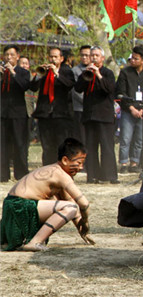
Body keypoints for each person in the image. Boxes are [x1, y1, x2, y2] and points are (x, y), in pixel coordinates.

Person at [0, 138, 93, 252]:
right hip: (20, 205)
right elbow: (83, 204)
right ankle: (35, 242)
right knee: (70, 208)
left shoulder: (55, 171)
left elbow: (69, 200)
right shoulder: (60, 174)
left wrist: (81, 228)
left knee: (68, 205)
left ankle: (26, 240)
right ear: (65, 160)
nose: (81, 167)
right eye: (78, 163)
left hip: (11, 204)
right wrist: (86, 222)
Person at [74, 46, 118, 184]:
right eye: (91, 55)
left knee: (107, 147)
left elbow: (110, 89)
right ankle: (92, 175)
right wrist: (85, 75)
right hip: (89, 116)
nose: (93, 58)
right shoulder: (86, 73)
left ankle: (109, 176)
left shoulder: (108, 73)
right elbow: (77, 88)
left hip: (104, 116)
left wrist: (98, 74)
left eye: (96, 56)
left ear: (102, 58)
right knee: (91, 147)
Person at [30, 47, 75, 166]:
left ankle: (61, 170)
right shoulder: (44, 72)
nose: (53, 59)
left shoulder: (66, 71)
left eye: (55, 57)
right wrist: (39, 75)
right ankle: (47, 170)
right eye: (51, 56)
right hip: (45, 114)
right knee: (47, 145)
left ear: (61, 59)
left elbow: (70, 85)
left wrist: (57, 74)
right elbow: (33, 87)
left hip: (61, 114)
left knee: (61, 145)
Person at [115, 46, 143, 174]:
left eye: (135, 58)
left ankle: (134, 163)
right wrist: (131, 108)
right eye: (131, 58)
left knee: (139, 139)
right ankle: (123, 163)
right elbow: (121, 92)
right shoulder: (125, 72)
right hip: (128, 111)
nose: (132, 60)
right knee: (125, 138)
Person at [1, 45, 31, 182]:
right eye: (6, 55)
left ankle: (21, 174)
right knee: (2, 145)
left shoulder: (22, 72)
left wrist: (13, 73)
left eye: (12, 55)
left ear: (18, 57)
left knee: (20, 144)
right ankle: (2, 174)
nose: (9, 57)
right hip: (2, 113)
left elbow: (24, 86)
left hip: (18, 113)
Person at [71, 45, 91, 143]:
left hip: (93, 111)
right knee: (81, 138)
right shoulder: (75, 70)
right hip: (80, 109)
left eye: (87, 55)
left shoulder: (96, 69)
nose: (84, 57)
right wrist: (88, 102)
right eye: (82, 55)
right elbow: (75, 91)